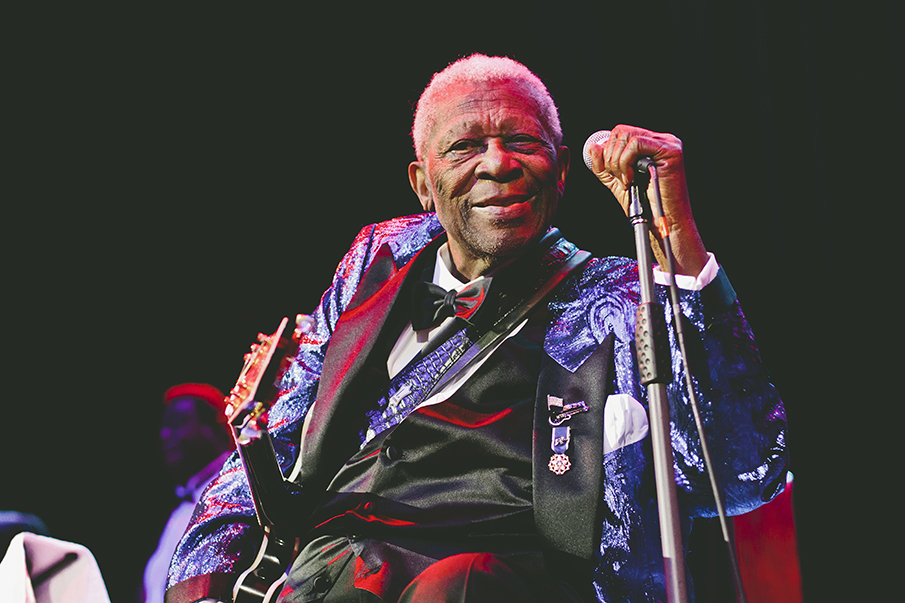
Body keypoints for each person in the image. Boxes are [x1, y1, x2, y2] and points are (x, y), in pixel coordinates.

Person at [164, 54, 788, 603]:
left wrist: (675, 242)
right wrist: (202, 586)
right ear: (422, 184)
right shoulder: (375, 261)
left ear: (562, 168)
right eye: (464, 146)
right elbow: (272, 444)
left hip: (510, 580)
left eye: (523, 141)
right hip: (334, 573)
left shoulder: (620, 297)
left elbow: (740, 475)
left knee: (457, 586)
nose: (498, 163)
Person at [143, 383, 234, 603]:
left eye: (178, 423)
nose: (165, 435)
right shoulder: (181, 511)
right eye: (164, 427)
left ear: (214, 427)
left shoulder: (238, 492)